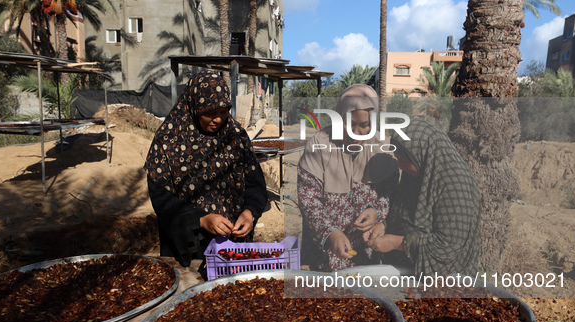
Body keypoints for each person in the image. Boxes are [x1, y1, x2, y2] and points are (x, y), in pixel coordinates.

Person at [144, 71, 268, 268]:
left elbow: (256, 184)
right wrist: (201, 219)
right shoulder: (168, 139)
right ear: (194, 106)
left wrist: (249, 212)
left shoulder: (235, 135)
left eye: (223, 111)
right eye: (209, 112)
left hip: (233, 246)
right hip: (188, 248)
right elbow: (161, 198)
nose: (217, 119)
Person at [364, 119, 481, 276]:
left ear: (424, 153)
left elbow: (446, 246)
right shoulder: (418, 172)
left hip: (446, 280)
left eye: (405, 161)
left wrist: (394, 242)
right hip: (409, 270)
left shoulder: (455, 183)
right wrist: (383, 226)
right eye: (398, 160)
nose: (400, 166)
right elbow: (403, 212)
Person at [297, 84, 393, 272]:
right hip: (325, 251)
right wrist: (331, 233)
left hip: (366, 251)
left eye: (364, 125)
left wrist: (376, 212)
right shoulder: (319, 144)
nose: (355, 133)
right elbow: (308, 198)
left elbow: (390, 192)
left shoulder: (383, 146)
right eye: (350, 124)